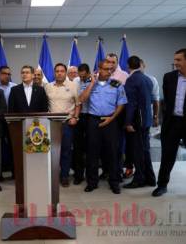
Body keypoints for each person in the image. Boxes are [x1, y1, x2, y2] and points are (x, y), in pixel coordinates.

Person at [80, 60, 127, 194]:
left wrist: (111, 118)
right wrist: (92, 84)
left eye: (111, 69)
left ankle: (114, 182)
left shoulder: (116, 84)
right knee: (92, 153)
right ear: (98, 69)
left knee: (112, 152)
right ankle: (92, 182)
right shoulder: (89, 83)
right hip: (93, 121)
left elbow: (121, 103)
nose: (109, 72)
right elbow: (81, 99)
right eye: (106, 69)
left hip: (110, 120)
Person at [152, 49, 186, 197]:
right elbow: (167, 101)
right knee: (167, 156)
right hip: (172, 123)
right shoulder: (169, 77)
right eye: (175, 60)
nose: (175, 63)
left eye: (179, 60)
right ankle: (162, 185)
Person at [123, 56, 156, 189]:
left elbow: (131, 104)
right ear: (139, 64)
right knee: (145, 151)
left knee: (137, 151)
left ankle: (139, 179)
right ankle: (151, 178)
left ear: (128, 66)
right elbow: (151, 100)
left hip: (137, 121)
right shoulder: (148, 79)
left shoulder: (131, 80)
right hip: (146, 120)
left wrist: (128, 122)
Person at [45, 63, 80, 187]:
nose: (59, 73)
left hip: (67, 124)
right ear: (54, 73)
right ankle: (53, 175)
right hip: (51, 124)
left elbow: (78, 104)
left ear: (65, 73)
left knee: (65, 151)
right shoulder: (48, 86)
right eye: (57, 71)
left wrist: (75, 117)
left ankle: (64, 176)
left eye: (62, 71)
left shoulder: (73, 86)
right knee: (52, 152)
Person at [0, 66, 16, 180]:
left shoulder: (15, 87)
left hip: (12, 121)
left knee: (14, 147)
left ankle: (14, 172)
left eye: (8, 74)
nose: (6, 76)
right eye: (4, 73)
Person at [72, 63, 92, 185]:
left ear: (88, 73)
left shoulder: (94, 80)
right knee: (78, 148)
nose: (82, 78)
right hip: (79, 116)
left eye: (84, 76)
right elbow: (78, 99)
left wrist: (91, 83)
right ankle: (78, 175)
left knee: (91, 148)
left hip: (91, 116)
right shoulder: (76, 81)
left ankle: (90, 175)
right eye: (81, 76)